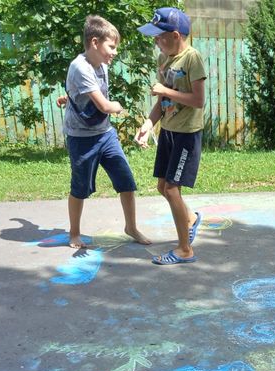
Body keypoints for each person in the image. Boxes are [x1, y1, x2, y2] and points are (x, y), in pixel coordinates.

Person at [59, 15, 151, 249]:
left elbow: (86, 94)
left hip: (105, 134)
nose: (114, 52)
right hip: (82, 139)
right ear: (94, 42)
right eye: (111, 46)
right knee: (80, 188)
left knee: (126, 181)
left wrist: (69, 97)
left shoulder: (101, 65)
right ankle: (74, 233)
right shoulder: (79, 67)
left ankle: (131, 227)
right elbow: (104, 105)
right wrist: (118, 106)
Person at [135, 7, 206, 265]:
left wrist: (166, 89)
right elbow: (162, 100)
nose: (155, 41)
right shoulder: (163, 60)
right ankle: (190, 219)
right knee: (162, 186)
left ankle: (185, 249)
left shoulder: (191, 58)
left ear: (176, 35)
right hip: (168, 131)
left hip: (187, 134)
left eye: (159, 36)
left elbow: (198, 100)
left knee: (172, 189)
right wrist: (148, 124)